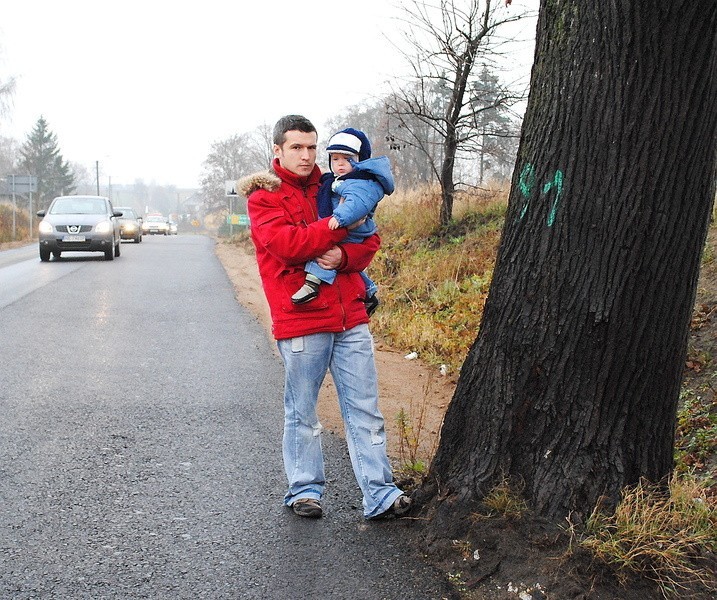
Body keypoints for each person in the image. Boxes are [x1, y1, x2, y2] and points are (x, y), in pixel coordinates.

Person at [238, 115, 411, 520]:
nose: (306, 155)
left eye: (311, 147)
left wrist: (345, 255)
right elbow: (288, 246)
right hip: (301, 318)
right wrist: (338, 225)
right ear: (277, 150)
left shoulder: (334, 183)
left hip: (350, 315)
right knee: (302, 410)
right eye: (297, 147)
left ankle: (380, 494)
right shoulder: (264, 197)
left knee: (365, 409)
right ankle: (304, 489)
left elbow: (369, 239)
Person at [290, 128, 393, 318]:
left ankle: (312, 283)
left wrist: (340, 219)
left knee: (323, 253)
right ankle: (369, 291)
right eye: (335, 159)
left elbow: (357, 203)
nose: (340, 164)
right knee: (330, 251)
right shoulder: (334, 180)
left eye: (347, 159)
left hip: (354, 227)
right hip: (347, 225)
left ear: (359, 160)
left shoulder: (363, 181)